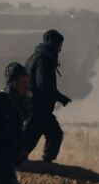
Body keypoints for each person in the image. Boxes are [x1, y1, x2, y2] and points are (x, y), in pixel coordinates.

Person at [20, 29, 71, 163]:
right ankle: (17, 164)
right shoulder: (44, 59)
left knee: (55, 134)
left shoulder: (35, 57)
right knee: (27, 142)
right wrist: (60, 97)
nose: (60, 49)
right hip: (37, 108)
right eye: (59, 45)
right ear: (54, 44)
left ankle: (46, 163)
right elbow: (44, 85)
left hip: (39, 108)